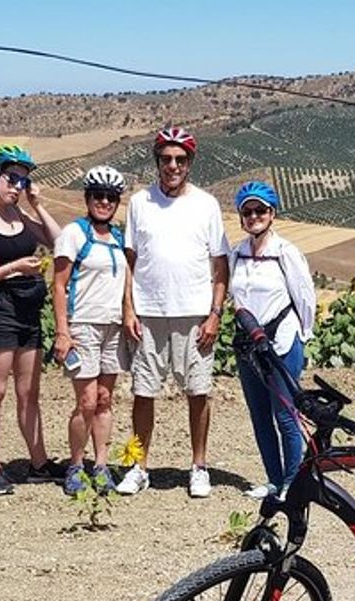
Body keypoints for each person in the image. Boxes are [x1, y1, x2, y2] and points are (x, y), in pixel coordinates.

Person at [116, 127, 230, 498]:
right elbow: (130, 261)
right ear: (157, 162)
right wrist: (129, 309)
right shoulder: (139, 203)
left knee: (198, 392)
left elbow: (220, 265)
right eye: (166, 159)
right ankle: (139, 466)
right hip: (149, 314)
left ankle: (198, 466)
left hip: (195, 314)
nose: (173, 166)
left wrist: (214, 314)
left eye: (180, 160)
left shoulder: (206, 205)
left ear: (190, 163)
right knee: (143, 392)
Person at [0, 144, 64, 495]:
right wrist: (11, 269)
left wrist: (38, 204)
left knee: (29, 391)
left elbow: (59, 240)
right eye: (11, 178)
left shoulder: (18, 214)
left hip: (28, 312)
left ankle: (39, 462)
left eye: (23, 180)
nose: (17, 186)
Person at [228, 181, 316, 499]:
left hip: (282, 342)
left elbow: (305, 297)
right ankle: (274, 480)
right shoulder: (236, 254)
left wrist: (303, 337)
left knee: (286, 415)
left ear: (272, 213)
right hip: (248, 343)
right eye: (247, 211)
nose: (254, 216)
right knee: (259, 414)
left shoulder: (286, 254)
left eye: (260, 210)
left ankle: (293, 482)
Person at [51, 166, 128, 496]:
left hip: (113, 326)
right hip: (83, 325)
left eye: (111, 197)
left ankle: (101, 464)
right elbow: (58, 285)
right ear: (87, 198)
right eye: (99, 195)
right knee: (85, 401)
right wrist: (62, 332)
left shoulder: (118, 238)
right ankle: (75, 465)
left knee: (105, 399)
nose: (105, 202)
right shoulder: (74, 233)